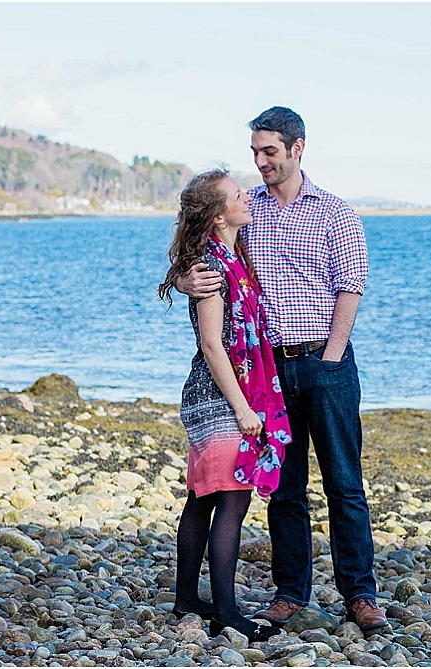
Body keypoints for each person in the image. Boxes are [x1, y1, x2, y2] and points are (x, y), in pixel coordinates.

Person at [176, 107, 386, 633]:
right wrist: (183, 281)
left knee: (344, 485)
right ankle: (291, 593)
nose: (261, 162)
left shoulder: (335, 213)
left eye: (269, 151)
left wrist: (332, 355)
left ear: (297, 149)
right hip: (269, 375)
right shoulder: (252, 212)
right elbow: (206, 252)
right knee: (284, 489)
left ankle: (360, 595)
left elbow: (351, 286)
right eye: (255, 153)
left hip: (326, 364)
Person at [155, 169, 290, 642]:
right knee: (231, 501)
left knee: (202, 498)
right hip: (220, 395)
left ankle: (187, 597)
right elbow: (213, 345)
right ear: (217, 217)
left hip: (223, 391)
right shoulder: (210, 270)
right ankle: (227, 612)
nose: (247, 196)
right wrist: (243, 410)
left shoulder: (233, 254)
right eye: (237, 194)